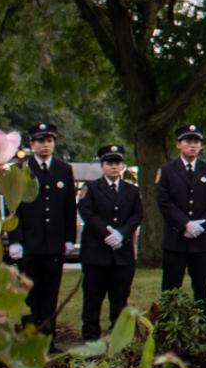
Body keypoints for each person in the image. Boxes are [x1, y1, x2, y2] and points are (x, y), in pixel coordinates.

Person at [10, 121, 79, 335]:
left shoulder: (63, 169)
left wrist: (69, 237)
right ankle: (29, 337)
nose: (45, 145)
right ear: (32, 144)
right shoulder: (21, 169)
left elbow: (69, 206)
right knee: (30, 294)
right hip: (29, 243)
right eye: (40, 141)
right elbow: (14, 207)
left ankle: (48, 338)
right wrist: (14, 239)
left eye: (49, 141)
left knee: (50, 293)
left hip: (54, 244)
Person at [76, 143, 142, 342]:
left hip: (121, 255)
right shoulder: (91, 188)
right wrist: (107, 232)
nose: (114, 167)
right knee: (93, 299)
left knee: (119, 298)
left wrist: (122, 234)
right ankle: (90, 337)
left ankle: (117, 336)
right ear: (102, 165)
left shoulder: (131, 190)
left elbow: (137, 215)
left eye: (117, 163)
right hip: (96, 253)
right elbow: (87, 212)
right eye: (109, 163)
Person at [156, 124, 206, 323]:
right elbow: (164, 201)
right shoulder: (167, 170)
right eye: (188, 142)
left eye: (196, 142)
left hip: (201, 239)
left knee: (201, 287)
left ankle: (204, 329)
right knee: (171, 286)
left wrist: (202, 225)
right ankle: (167, 327)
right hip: (176, 238)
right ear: (179, 145)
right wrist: (184, 224)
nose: (193, 146)